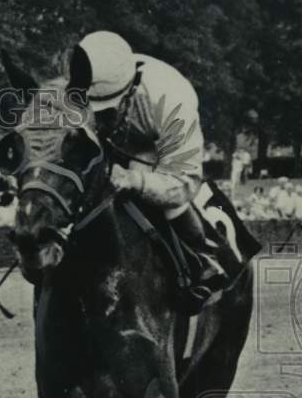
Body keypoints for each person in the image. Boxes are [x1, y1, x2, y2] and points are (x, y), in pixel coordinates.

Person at [71, 30, 236, 308]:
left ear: (132, 87)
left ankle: (202, 261)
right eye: (92, 108)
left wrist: (135, 180)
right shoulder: (79, 88)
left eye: (107, 109)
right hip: (121, 134)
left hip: (157, 143)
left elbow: (183, 182)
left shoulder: (172, 100)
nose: (99, 117)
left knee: (161, 196)